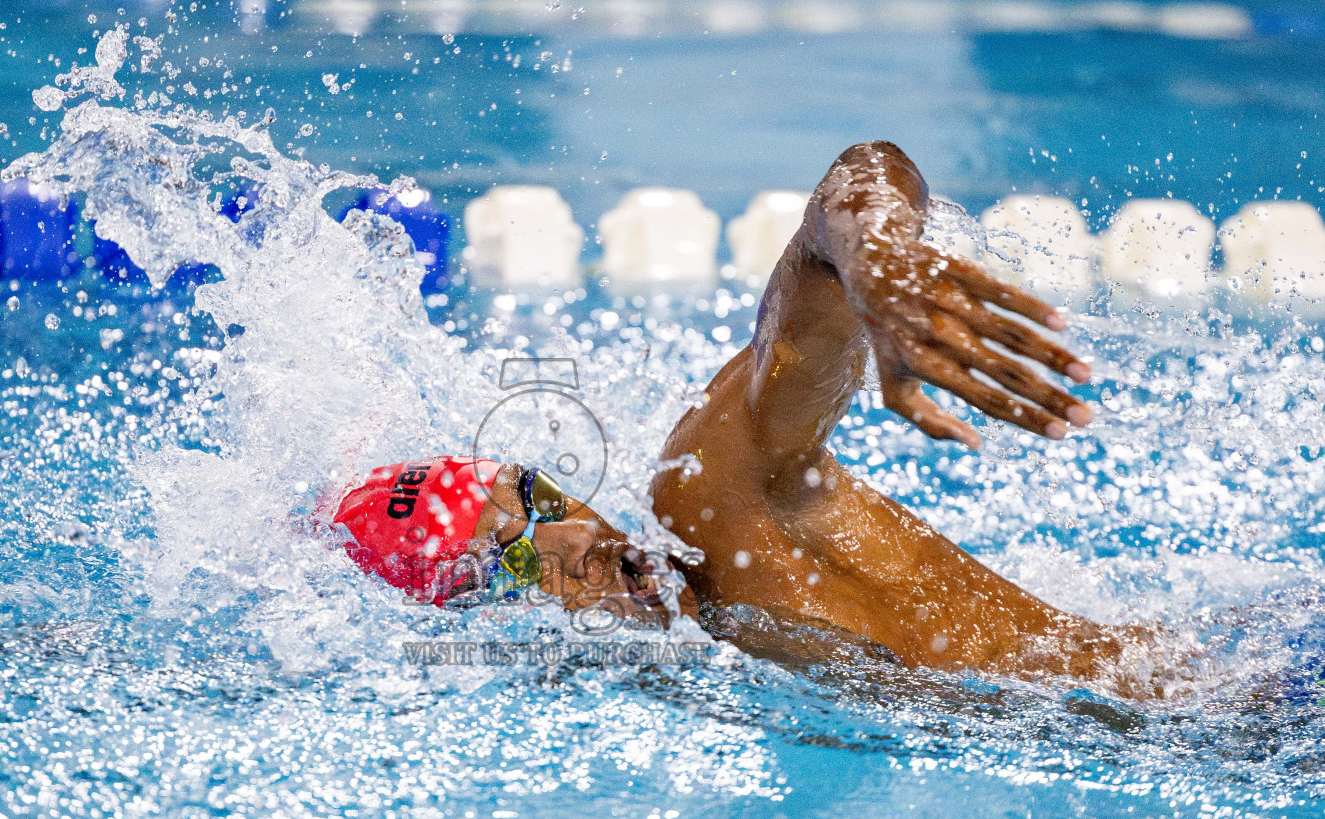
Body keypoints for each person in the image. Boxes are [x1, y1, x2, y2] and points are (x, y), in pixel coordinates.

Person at [330, 142, 1143, 687]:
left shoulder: (716, 507)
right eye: (509, 561)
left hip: (1230, 710)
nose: (575, 543)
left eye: (539, 498)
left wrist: (878, 262)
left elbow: (856, 180)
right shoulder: (678, 674)